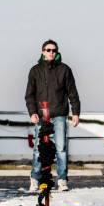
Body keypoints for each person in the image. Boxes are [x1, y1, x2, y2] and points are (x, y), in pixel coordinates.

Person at [25, 39, 81, 192]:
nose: (51, 52)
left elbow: (72, 93)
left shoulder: (64, 70)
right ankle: (35, 179)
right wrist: (32, 113)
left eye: (53, 50)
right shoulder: (35, 71)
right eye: (48, 50)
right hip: (41, 116)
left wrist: (75, 112)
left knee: (61, 148)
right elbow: (29, 95)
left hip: (59, 115)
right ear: (43, 51)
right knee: (38, 148)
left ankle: (62, 180)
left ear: (57, 52)